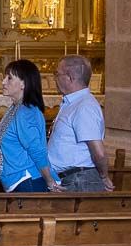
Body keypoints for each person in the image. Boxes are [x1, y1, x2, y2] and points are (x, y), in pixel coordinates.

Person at [0, 59, 61, 194]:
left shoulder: (25, 112)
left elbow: (37, 150)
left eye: (9, 78)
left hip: (28, 180)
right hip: (20, 180)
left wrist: (50, 181)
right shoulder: (16, 109)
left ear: (23, 84)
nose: (3, 82)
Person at [48, 55, 114, 192]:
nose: (55, 78)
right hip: (71, 179)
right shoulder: (74, 103)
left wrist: (103, 176)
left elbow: (99, 152)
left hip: (79, 182)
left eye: (57, 74)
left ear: (70, 77)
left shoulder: (84, 106)